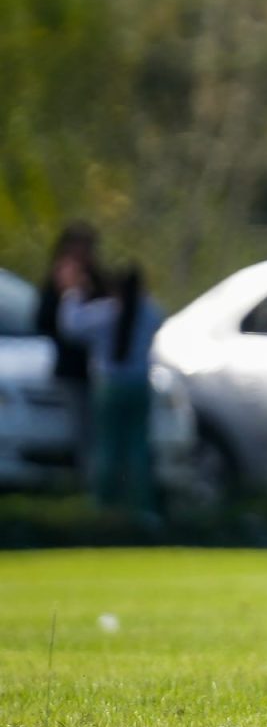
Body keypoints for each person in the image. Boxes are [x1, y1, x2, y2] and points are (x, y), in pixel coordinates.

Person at [55, 258, 164, 520]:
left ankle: (104, 504)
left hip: (109, 387)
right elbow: (159, 316)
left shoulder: (105, 313)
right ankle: (142, 506)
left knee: (107, 446)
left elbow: (71, 326)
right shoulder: (149, 312)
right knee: (138, 447)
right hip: (138, 385)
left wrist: (73, 292)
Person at [35, 222, 108, 482]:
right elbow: (43, 322)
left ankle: (96, 480)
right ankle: (86, 479)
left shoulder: (98, 281)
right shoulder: (56, 283)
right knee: (81, 429)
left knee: (96, 430)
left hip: (100, 369)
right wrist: (66, 294)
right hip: (71, 369)